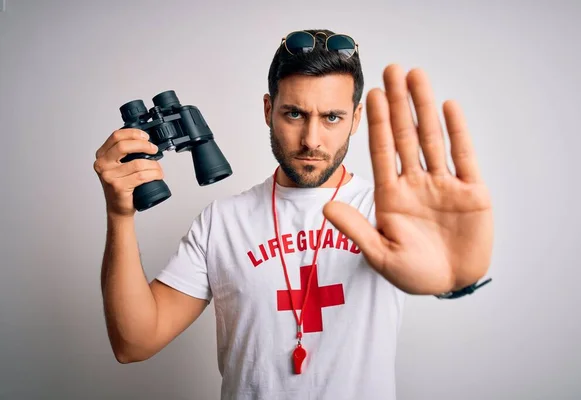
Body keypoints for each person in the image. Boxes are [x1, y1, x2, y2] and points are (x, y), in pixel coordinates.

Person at [93, 29, 494, 399]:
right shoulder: (222, 221)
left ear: (356, 119)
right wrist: (120, 214)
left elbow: (437, 272)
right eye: (295, 114)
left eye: (332, 117)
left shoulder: (387, 211)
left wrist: (455, 280)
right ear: (268, 110)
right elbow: (134, 343)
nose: (311, 140)